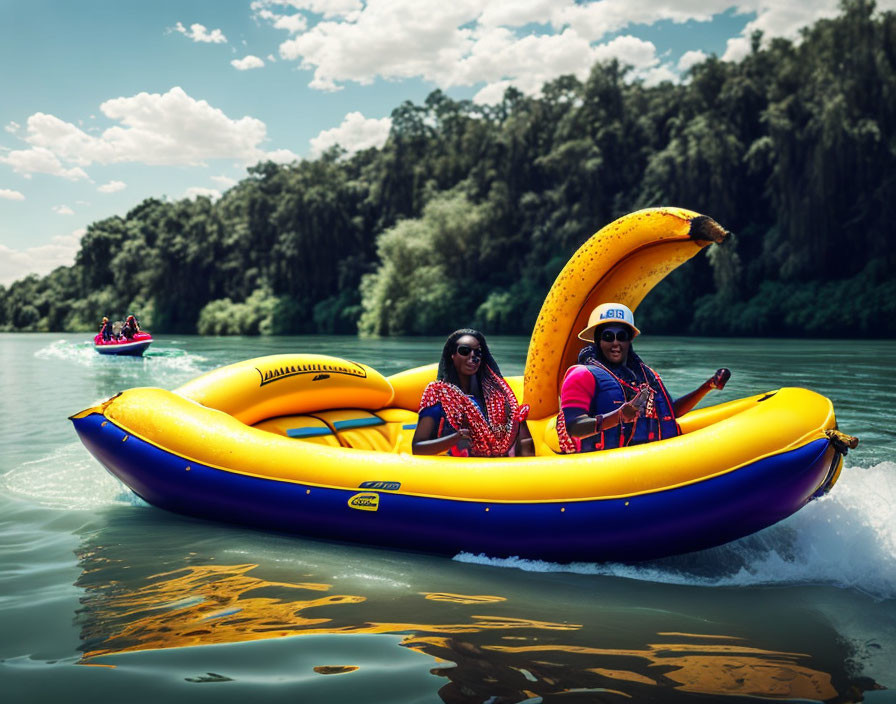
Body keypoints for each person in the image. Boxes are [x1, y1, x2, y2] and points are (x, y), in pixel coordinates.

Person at [557, 303, 729, 453]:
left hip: (651, 456)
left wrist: (707, 387)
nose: (615, 343)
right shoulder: (581, 375)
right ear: (597, 340)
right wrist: (618, 417)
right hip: (602, 465)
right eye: (608, 336)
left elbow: (672, 412)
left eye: (622, 336)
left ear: (629, 340)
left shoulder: (646, 376)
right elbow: (574, 427)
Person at [413, 329, 533, 457]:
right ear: (452, 356)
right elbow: (417, 448)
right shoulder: (437, 393)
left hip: (501, 467)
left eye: (478, 352)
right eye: (465, 351)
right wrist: (454, 438)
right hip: (457, 470)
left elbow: (522, 439)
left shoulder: (498, 396)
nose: (473, 357)